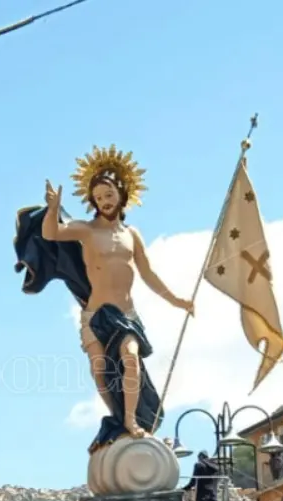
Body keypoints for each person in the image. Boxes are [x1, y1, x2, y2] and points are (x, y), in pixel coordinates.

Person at [14, 146, 193, 446]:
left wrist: (178, 301)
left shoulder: (131, 234)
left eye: (108, 195)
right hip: (95, 315)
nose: (104, 202)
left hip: (126, 314)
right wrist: (54, 208)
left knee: (131, 358)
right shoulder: (86, 230)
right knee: (100, 369)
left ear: (121, 194)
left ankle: (131, 421)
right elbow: (51, 234)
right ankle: (117, 418)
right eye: (98, 198)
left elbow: (148, 274)